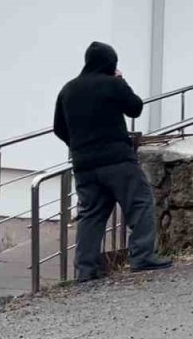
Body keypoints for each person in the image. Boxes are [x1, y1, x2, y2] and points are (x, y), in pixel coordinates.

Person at [53, 42, 171, 282]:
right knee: (140, 203)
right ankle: (142, 257)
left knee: (91, 215)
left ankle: (85, 270)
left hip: (84, 165)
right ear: (111, 64)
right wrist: (120, 81)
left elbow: (58, 128)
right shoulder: (111, 84)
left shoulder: (68, 90)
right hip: (117, 161)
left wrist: (79, 147)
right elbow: (135, 108)